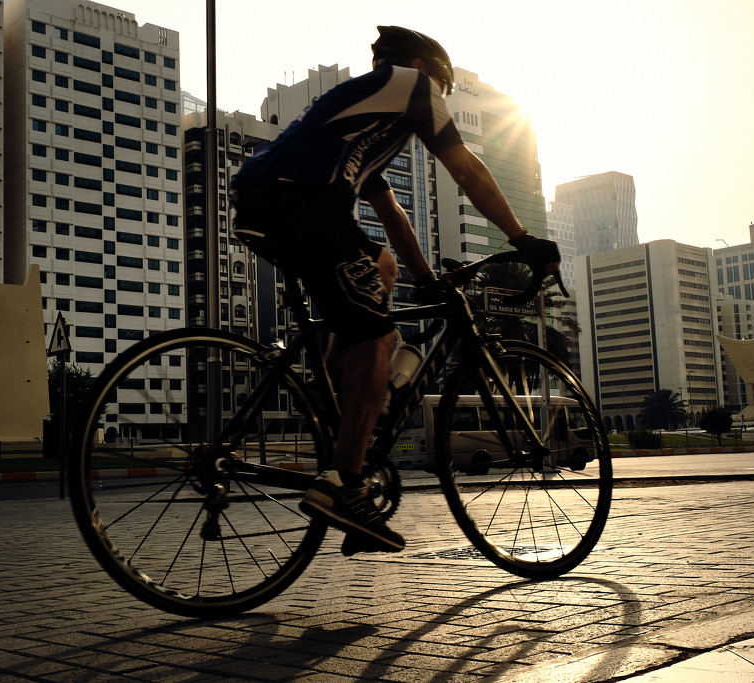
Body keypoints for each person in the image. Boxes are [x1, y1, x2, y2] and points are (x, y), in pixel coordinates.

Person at [231, 26, 561, 554]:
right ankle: (344, 484)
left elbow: (393, 217)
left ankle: (337, 396)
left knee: (380, 267)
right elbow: (467, 171)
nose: (442, 104)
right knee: (379, 340)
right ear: (425, 68)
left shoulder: (365, 118)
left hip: (268, 201)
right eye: (445, 92)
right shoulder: (412, 86)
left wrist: (427, 280)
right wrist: (522, 239)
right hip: (303, 204)